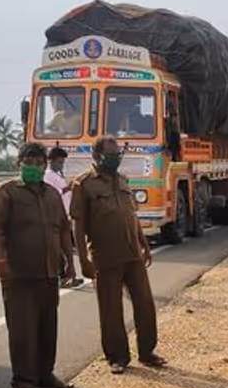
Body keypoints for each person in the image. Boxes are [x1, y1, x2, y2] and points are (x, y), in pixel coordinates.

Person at [71, 136, 166, 374]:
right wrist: (83, 260)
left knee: (145, 304)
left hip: (132, 254)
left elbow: (131, 215)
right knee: (111, 310)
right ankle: (117, 357)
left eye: (117, 155)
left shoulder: (123, 180)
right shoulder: (83, 185)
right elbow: (78, 226)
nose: (115, 160)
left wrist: (144, 243)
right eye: (111, 156)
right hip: (105, 257)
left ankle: (147, 352)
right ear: (97, 156)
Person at [0, 144, 76, 388]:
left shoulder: (52, 194)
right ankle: (23, 381)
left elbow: (63, 229)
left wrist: (69, 262)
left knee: (47, 327)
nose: (35, 167)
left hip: (49, 273)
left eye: (39, 163)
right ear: (19, 163)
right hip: (19, 274)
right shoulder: (6, 193)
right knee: (22, 330)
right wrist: (1, 260)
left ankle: (45, 374)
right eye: (29, 162)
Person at [44, 146, 83, 288]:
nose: (61, 165)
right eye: (59, 162)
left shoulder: (58, 175)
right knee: (59, 248)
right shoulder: (48, 176)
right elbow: (53, 193)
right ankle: (62, 277)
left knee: (67, 248)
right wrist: (69, 188)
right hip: (55, 215)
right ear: (51, 161)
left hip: (64, 214)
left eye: (62, 162)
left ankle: (70, 275)